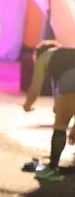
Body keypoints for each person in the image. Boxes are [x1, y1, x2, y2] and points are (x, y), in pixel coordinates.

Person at [23, 43, 75, 182]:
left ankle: (52, 169)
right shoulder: (66, 55)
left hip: (71, 80)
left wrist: (27, 105)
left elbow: (35, 89)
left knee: (61, 125)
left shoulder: (44, 57)